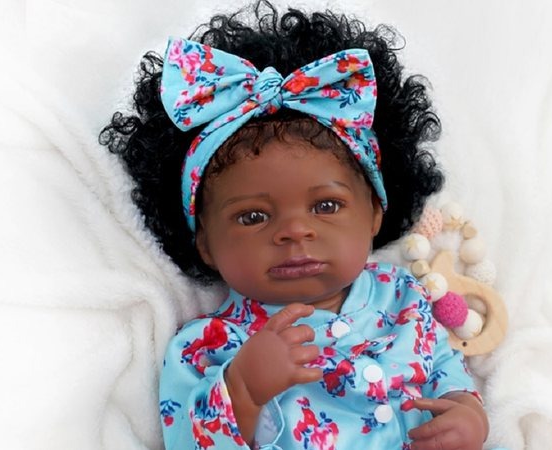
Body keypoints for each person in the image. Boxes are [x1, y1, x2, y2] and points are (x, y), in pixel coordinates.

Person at [100, 2, 490, 449]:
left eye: (326, 205)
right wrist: (243, 391)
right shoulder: (206, 347)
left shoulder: (404, 296)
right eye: (253, 217)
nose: (294, 232)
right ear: (204, 242)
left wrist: (468, 414)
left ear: (374, 212)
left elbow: (445, 368)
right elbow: (188, 439)